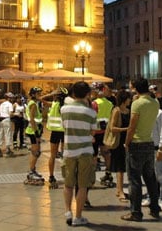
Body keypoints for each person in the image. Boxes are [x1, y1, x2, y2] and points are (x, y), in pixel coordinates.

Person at [121, 77, 161, 222]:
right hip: (149, 143)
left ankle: (136, 212)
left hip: (136, 144)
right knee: (150, 178)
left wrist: (126, 142)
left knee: (134, 180)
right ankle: (155, 208)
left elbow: (132, 126)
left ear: (136, 89)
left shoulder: (137, 104)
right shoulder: (154, 103)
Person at [61, 81, 97, 227]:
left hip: (69, 150)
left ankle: (68, 211)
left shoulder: (64, 109)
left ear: (73, 93)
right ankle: (78, 216)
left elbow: (64, 127)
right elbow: (92, 131)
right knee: (82, 185)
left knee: (68, 183)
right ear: (87, 94)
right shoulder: (91, 112)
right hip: (85, 151)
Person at [148, 89, 162, 210]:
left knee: (161, 174)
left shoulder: (160, 114)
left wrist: (161, 149)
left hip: (158, 147)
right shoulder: (146, 113)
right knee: (149, 175)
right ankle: (150, 197)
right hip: (147, 147)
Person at [109, 89, 131, 201]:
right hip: (118, 141)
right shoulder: (116, 111)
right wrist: (125, 129)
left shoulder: (128, 110)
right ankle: (120, 190)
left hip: (126, 141)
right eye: (128, 98)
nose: (130, 100)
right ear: (124, 99)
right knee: (120, 167)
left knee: (124, 166)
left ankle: (119, 189)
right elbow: (112, 128)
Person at [45, 88, 68, 189]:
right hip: (64, 132)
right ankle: (67, 175)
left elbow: (40, 99)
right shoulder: (66, 107)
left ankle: (51, 176)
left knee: (52, 156)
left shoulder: (54, 104)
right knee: (65, 156)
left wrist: (50, 93)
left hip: (54, 132)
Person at [25, 86, 44, 182]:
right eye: (38, 93)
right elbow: (32, 119)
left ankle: (32, 170)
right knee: (35, 152)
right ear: (33, 94)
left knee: (36, 152)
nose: (39, 95)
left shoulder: (33, 102)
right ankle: (31, 172)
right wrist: (37, 134)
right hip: (33, 131)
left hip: (35, 130)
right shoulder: (33, 104)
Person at [0, 92, 14, 157]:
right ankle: (8, 149)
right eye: (11, 98)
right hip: (6, 119)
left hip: (0, 120)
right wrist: (16, 114)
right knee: (7, 134)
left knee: (0, 134)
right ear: (8, 98)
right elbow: (10, 114)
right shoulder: (9, 104)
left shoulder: (2, 104)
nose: (12, 99)